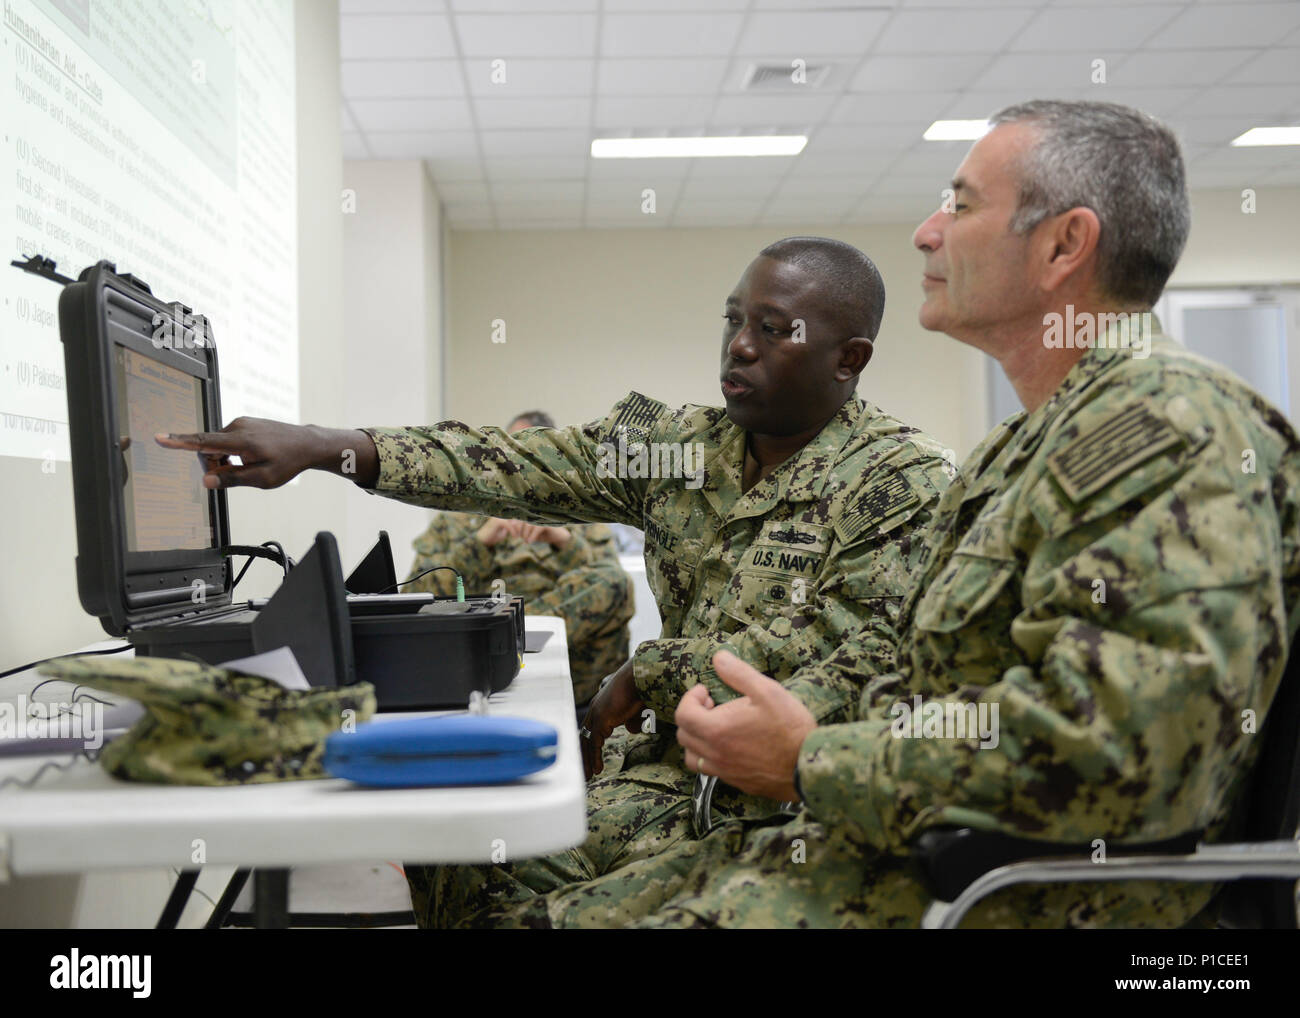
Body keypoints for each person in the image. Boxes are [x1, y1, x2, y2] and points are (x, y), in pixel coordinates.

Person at [406, 99, 1300, 928]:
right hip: (883, 834)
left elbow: (1120, 758)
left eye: (961, 204)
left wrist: (810, 760)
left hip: (1001, 887)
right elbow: (923, 675)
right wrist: (790, 733)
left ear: (1065, 245)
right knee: (480, 886)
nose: (926, 232)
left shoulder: (1167, 431)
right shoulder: (1018, 451)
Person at [155, 236, 955, 927]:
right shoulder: (680, 448)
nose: (739, 346)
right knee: (450, 847)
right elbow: (510, 462)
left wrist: (647, 668)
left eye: (772, 330)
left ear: (849, 359)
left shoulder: (901, 483)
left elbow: (830, 672)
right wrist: (328, 447)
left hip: (767, 802)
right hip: (655, 772)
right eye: (733, 320)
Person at [405, 409, 634, 704]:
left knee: (615, 581)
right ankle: (505, 637)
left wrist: (564, 542)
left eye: (536, 457)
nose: (522, 467)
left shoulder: (582, 520)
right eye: (514, 452)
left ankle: (514, 635)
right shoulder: (456, 520)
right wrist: (480, 543)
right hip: (477, 664)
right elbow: (414, 596)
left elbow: (612, 593)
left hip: (571, 667)